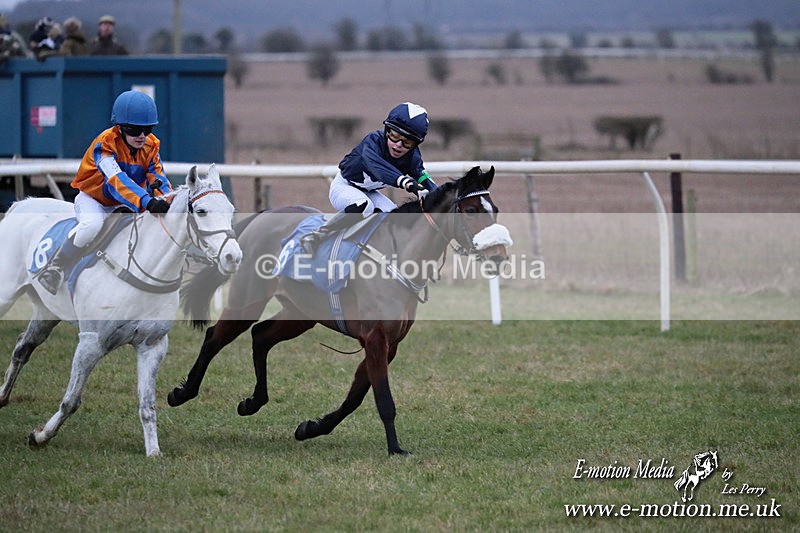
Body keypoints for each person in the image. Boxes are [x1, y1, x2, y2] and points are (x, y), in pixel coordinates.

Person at [37, 90, 172, 294]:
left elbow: (158, 177)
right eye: (134, 130)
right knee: (92, 225)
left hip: (125, 202)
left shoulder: (152, 146)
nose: (142, 136)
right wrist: (147, 201)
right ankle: (55, 266)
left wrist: (169, 200)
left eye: (147, 129)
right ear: (120, 128)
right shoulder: (105, 144)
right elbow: (116, 180)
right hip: (94, 199)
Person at [301, 102, 437, 253]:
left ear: (415, 145)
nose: (398, 144)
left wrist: (442, 194)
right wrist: (407, 183)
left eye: (407, 142)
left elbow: (422, 176)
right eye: (395, 136)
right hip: (344, 186)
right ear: (386, 131)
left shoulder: (413, 157)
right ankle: (317, 235)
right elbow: (379, 168)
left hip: (369, 192)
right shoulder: (373, 141)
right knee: (364, 206)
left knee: (394, 219)